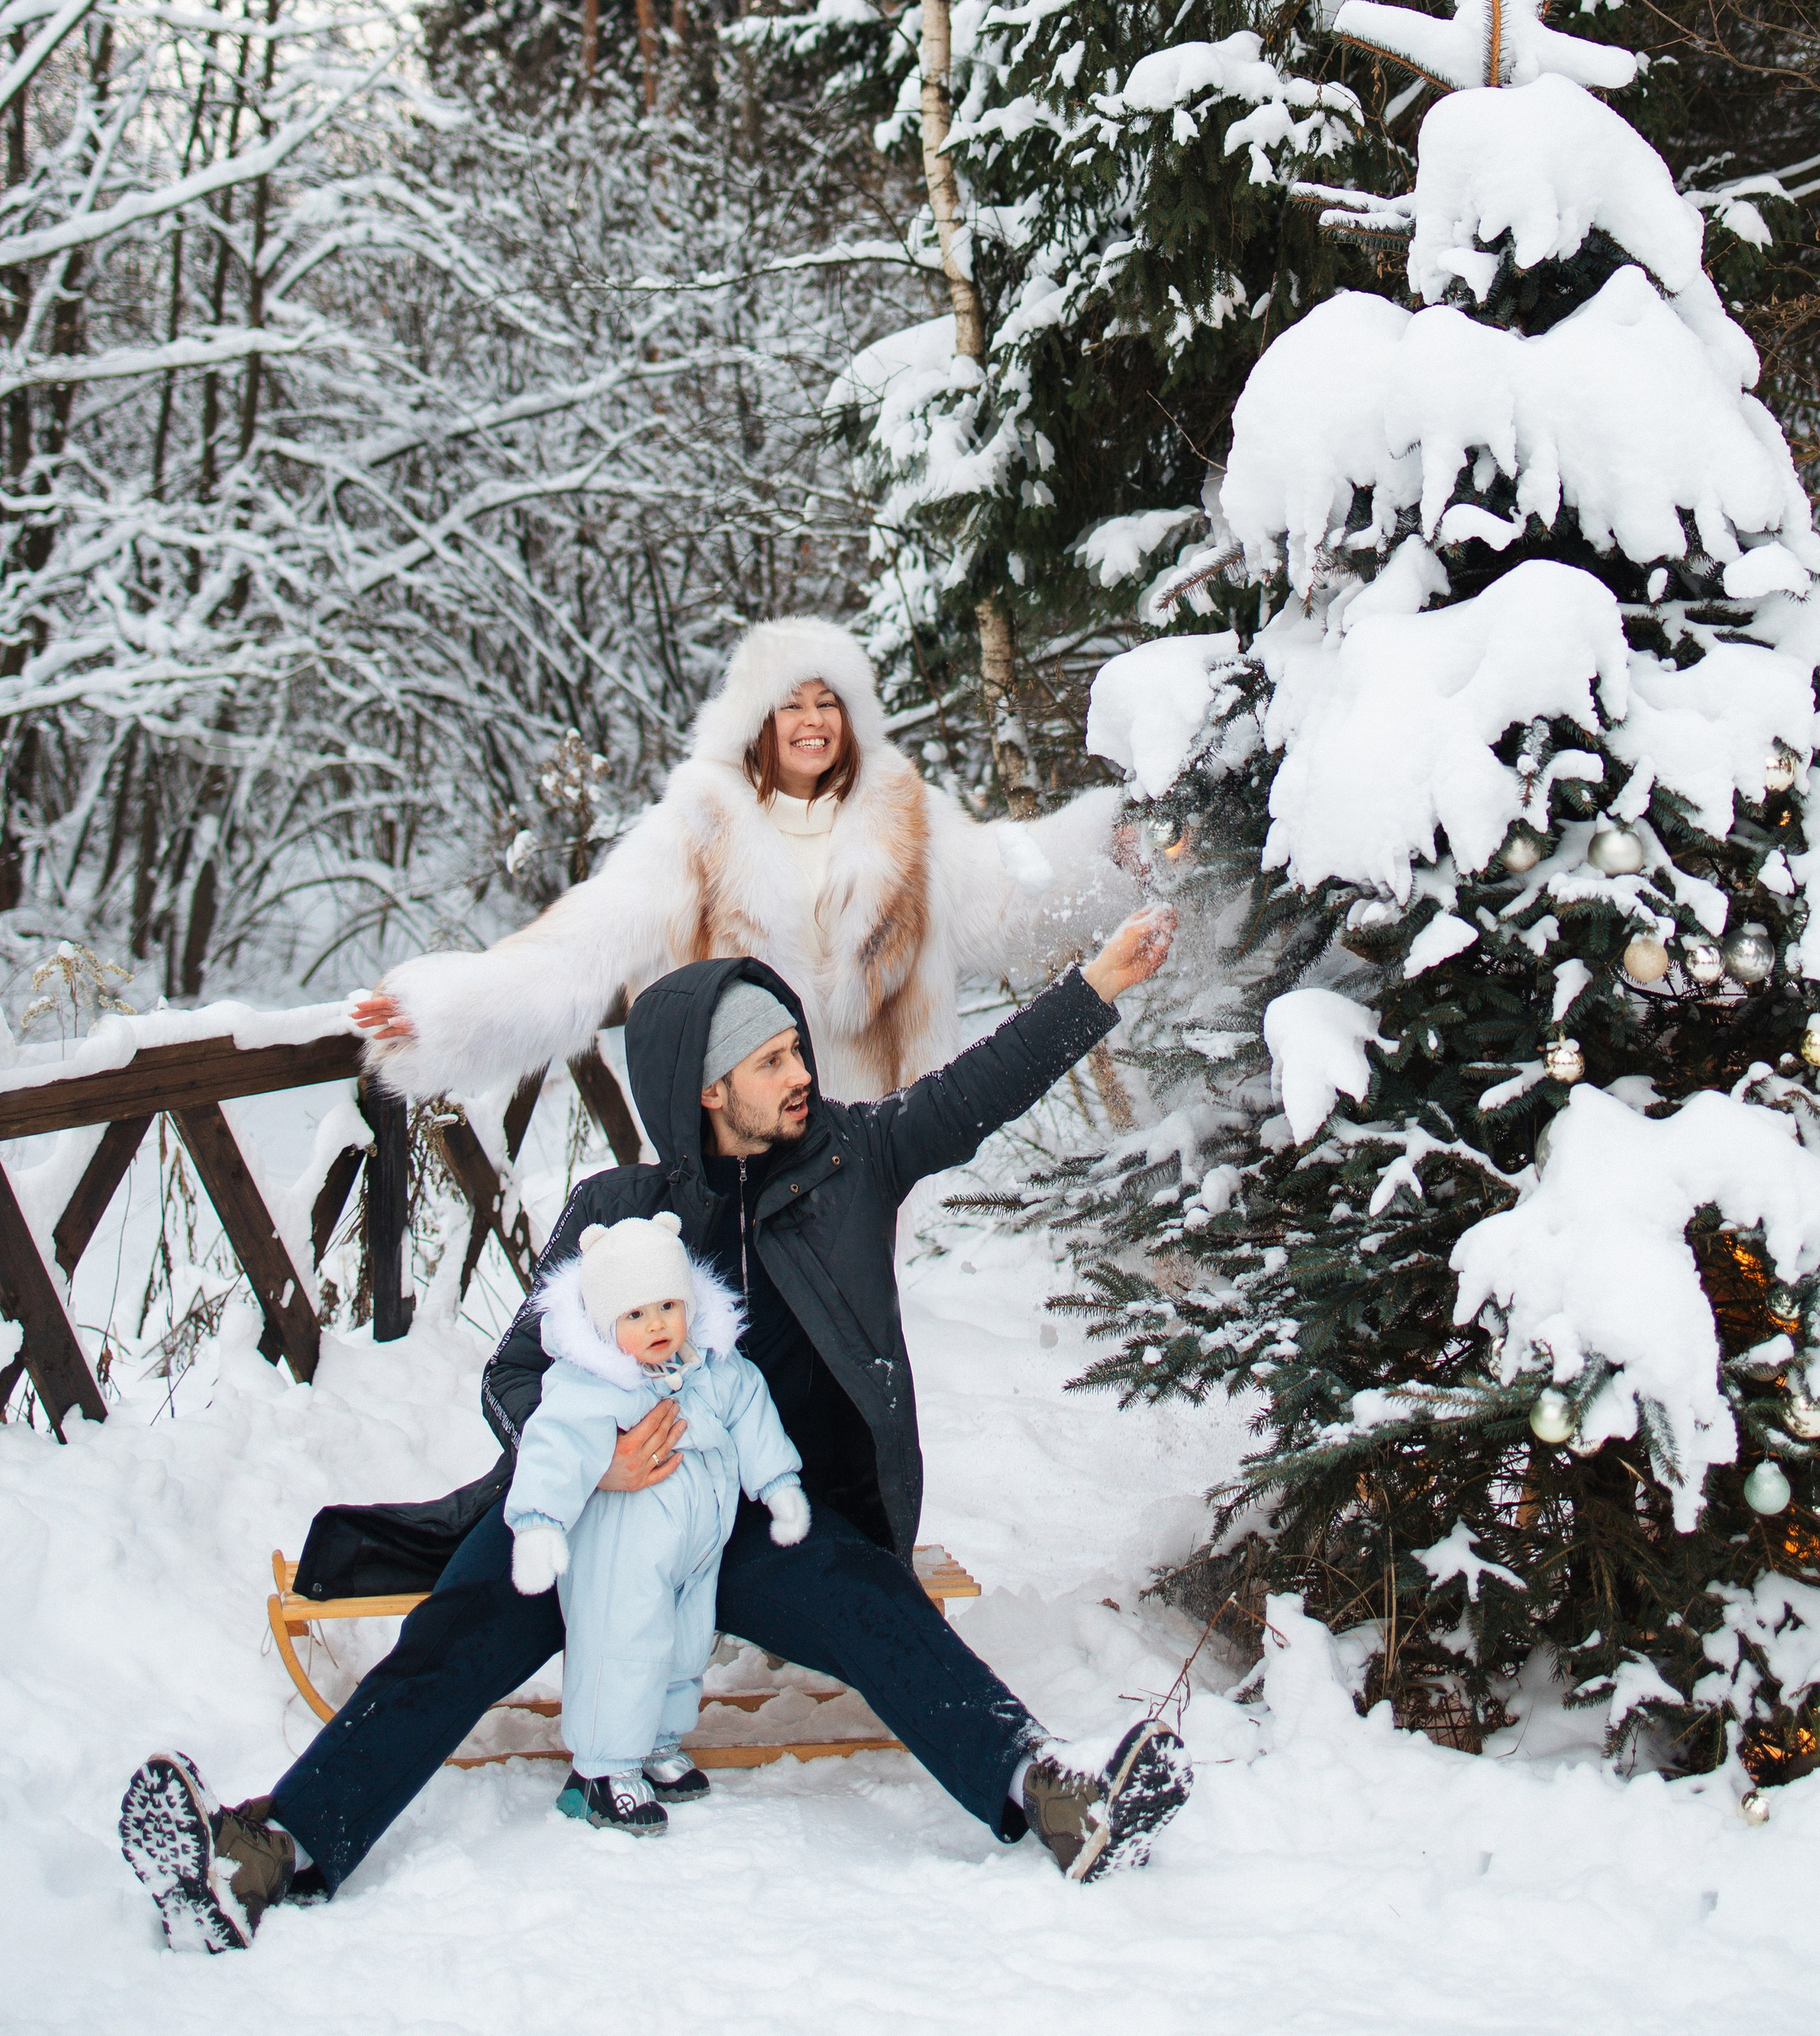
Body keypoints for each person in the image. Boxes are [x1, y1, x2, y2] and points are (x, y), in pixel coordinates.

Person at [118, 907, 1188, 1949]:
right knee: (458, 1630)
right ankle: (263, 1855)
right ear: (708, 1088)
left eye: (795, 1050)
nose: (800, 1074)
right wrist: (599, 1464)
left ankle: (1059, 1798)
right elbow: (516, 1371)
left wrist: (1095, 987)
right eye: (770, 1062)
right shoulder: (613, 1210)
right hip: (598, 1502)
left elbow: (971, 1095)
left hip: (764, 1516)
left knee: (876, 1607)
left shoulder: (853, 1160)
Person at [354, 614, 1128, 1106]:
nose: (813, 720)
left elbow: (1007, 897)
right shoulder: (698, 827)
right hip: (742, 1148)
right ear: (757, 721)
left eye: (830, 703)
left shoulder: (904, 818)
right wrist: (446, 1015)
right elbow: (585, 942)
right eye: (792, 703)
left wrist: (1114, 850)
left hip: (878, 1149)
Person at [503, 1207, 808, 1836]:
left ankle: (655, 1743)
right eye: (635, 1315)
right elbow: (552, 1446)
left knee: (683, 1643)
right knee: (623, 1646)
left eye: (667, 1305)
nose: (657, 1324)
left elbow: (753, 1411)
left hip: (694, 1549)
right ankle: (601, 1770)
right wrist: (538, 1524)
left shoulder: (714, 1370)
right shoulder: (591, 1386)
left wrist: (778, 1485)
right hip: (621, 1554)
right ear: (605, 1322)